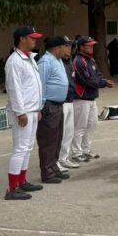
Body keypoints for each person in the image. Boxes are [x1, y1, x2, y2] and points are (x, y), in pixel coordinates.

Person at [3, 26, 45, 200]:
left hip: (32, 110)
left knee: (27, 147)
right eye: (31, 37)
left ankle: (21, 181)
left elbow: (33, 87)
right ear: (22, 39)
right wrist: (20, 112)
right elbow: (14, 89)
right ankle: (12, 188)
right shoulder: (15, 61)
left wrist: (38, 108)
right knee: (20, 148)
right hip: (23, 111)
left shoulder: (30, 58)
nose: (35, 40)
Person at [71, 37, 114, 163]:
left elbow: (98, 75)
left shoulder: (91, 60)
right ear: (81, 47)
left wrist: (102, 80)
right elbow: (87, 80)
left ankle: (86, 150)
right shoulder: (79, 61)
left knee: (91, 124)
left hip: (91, 97)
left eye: (92, 45)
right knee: (80, 126)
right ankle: (76, 152)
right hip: (81, 98)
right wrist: (104, 83)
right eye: (88, 45)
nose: (91, 47)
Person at [36, 36, 72, 184]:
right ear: (57, 47)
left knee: (57, 139)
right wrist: (40, 107)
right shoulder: (45, 62)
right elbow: (40, 86)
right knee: (48, 140)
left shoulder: (58, 60)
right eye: (66, 46)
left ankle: (53, 166)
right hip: (49, 106)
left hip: (58, 105)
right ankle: (47, 172)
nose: (68, 49)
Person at [57, 41, 79, 171]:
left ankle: (64, 158)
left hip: (70, 100)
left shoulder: (69, 62)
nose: (69, 49)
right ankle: (57, 160)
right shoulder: (57, 62)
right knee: (61, 133)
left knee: (69, 133)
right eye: (67, 47)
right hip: (62, 102)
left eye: (71, 47)